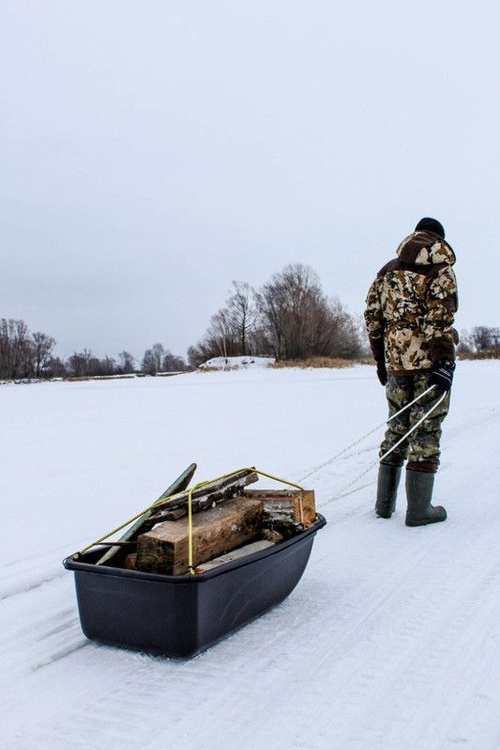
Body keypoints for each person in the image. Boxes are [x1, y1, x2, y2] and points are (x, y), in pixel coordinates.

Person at [364, 217, 458, 526]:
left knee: (396, 427)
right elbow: (440, 320)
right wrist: (444, 362)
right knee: (426, 428)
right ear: (437, 239)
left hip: (396, 363)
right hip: (428, 364)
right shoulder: (439, 269)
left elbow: (373, 318)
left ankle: (384, 504)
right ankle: (419, 510)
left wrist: (381, 360)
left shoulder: (387, 270)